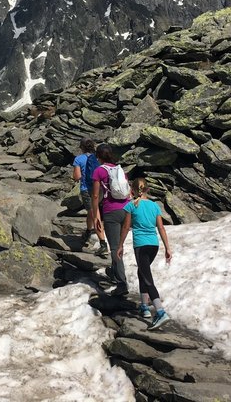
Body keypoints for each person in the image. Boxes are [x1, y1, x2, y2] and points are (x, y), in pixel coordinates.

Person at [117, 177, 173, 330]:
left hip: (140, 246)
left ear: (133, 190)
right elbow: (161, 228)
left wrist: (120, 245)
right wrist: (167, 248)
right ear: (147, 189)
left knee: (148, 279)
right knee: (142, 273)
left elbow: (126, 228)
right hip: (153, 245)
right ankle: (144, 306)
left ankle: (160, 312)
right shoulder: (155, 206)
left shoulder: (131, 206)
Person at [91, 144, 131, 295]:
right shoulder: (120, 169)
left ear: (98, 156)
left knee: (115, 248)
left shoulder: (99, 171)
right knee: (120, 245)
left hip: (111, 212)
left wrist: (96, 216)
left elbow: (95, 196)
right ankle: (114, 272)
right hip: (126, 210)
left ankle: (122, 284)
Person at [72, 138, 104, 254]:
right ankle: (88, 231)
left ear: (82, 147)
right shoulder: (97, 158)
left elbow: (77, 177)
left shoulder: (78, 159)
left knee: (95, 214)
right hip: (99, 189)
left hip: (87, 190)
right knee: (91, 212)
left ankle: (103, 243)